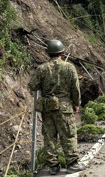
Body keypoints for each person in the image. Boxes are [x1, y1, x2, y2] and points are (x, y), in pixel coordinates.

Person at [28, 39, 86, 175]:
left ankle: (53, 166)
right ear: (62, 52)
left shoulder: (41, 69)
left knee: (49, 136)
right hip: (65, 107)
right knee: (68, 134)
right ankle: (72, 163)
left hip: (48, 107)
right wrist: (76, 103)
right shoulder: (69, 67)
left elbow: (32, 85)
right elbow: (75, 88)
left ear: (48, 53)